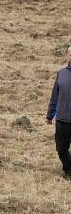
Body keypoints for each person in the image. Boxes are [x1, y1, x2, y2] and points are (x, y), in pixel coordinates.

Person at [46, 44, 71, 178]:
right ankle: (69, 170)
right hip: (62, 120)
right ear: (67, 56)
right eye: (70, 54)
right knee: (61, 150)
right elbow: (55, 95)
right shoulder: (61, 73)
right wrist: (50, 115)